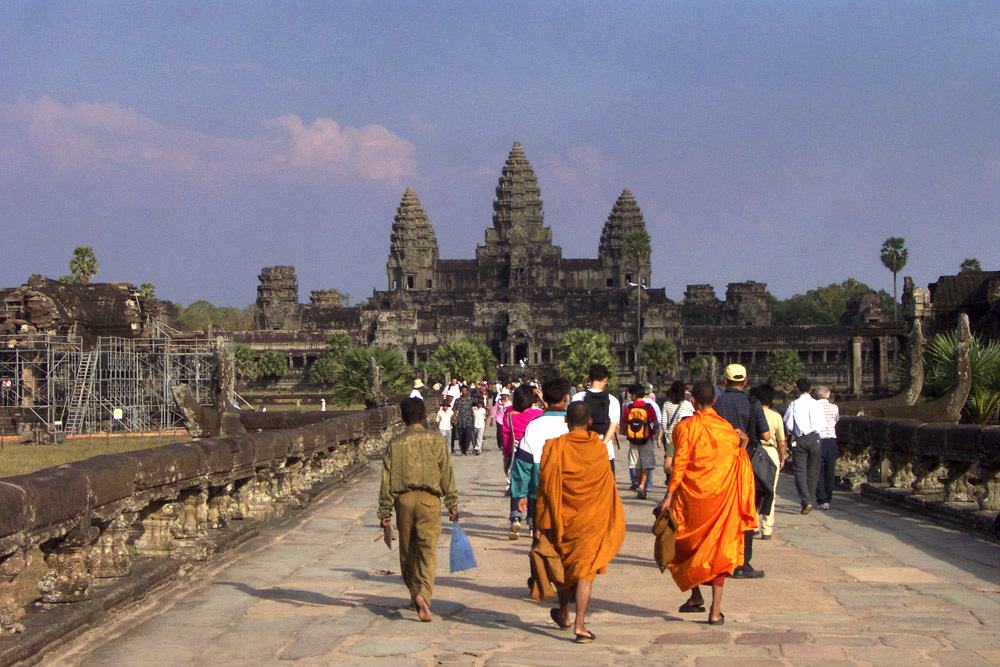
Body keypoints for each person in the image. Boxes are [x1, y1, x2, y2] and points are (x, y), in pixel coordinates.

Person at [654, 381, 757, 626]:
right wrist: (743, 445)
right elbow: (737, 457)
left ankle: (696, 595)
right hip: (721, 500)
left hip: (692, 500)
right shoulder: (728, 430)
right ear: (715, 401)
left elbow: (680, 464)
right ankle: (713, 610)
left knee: (684, 546)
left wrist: (669, 495)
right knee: (718, 551)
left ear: (693, 402)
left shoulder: (685, 427)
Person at [536, 401, 626, 643]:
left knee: (565, 566)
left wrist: (540, 522)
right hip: (590, 519)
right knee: (585, 571)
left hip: (561, 518)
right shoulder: (598, 448)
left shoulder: (554, 447)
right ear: (589, 423)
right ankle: (578, 624)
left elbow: (545, 487)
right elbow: (607, 485)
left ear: (566, 420)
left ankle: (565, 613)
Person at [377, 398, 459, 622]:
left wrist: (385, 512)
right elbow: (446, 474)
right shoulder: (437, 440)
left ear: (402, 418)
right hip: (429, 501)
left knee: (407, 551)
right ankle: (424, 593)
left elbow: (387, 481)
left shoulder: (395, 443)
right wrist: (452, 502)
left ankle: (415, 593)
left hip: (403, 501)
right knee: (427, 550)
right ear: (425, 417)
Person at [713, 364, 770, 579]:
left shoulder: (717, 403)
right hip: (746, 463)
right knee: (746, 511)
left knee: (722, 512)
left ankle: (721, 558)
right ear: (745, 382)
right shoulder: (752, 403)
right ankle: (742, 562)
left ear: (725, 382)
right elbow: (765, 435)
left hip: (720, 463)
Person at [511, 378, 571, 540]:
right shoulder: (573, 425)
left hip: (541, 492)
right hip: (570, 494)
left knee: (541, 543)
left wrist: (521, 494)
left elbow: (523, 463)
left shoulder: (534, 426)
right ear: (565, 397)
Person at [502, 385, 544, 537]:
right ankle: (532, 523)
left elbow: (506, 440)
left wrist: (505, 459)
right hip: (535, 453)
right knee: (534, 488)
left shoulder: (510, 416)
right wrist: (542, 399)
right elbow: (552, 413)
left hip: (516, 453)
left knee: (517, 487)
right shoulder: (539, 414)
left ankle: (515, 517)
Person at [783, 377, 827, 515]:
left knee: (800, 471)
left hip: (800, 438)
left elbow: (788, 423)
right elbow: (822, 423)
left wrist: (792, 433)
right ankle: (811, 498)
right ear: (810, 389)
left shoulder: (793, 405)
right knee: (814, 470)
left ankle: (805, 499)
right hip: (815, 438)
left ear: (797, 389)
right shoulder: (816, 405)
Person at [748, 384, 786, 540]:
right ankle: (767, 528)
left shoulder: (752, 412)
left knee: (752, 490)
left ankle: (754, 524)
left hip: (754, 452)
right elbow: (781, 441)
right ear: (771, 400)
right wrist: (782, 457)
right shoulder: (775, 416)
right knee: (771, 490)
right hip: (770, 451)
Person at [570, 364, 620, 474]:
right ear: (605, 379)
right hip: (605, 450)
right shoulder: (613, 400)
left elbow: (573, 423)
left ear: (589, 379)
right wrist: (603, 444)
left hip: (582, 447)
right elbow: (613, 426)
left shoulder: (578, 397)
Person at [622, 383, 659, 499]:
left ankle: (639, 485)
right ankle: (642, 486)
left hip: (633, 439)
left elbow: (624, 423)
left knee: (636, 465)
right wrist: (652, 431)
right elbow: (656, 423)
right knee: (647, 464)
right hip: (647, 438)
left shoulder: (629, 408)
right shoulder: (648, 407)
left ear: (633, 395)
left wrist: (629, 434)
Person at [812, 385, 839, 510]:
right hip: (831, 440)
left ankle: (822, 499)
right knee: (830, 470)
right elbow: (836, 420)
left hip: (818, 440)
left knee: (818, 471)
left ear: (816, 396)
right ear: (828, 396)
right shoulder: (834, 408)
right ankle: (828, 497)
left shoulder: (812, 407)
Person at [661, 380, 694, 481]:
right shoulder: (687, 404)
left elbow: (664, 421)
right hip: (682, 435)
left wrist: (666, 432)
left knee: (669, 458)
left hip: (670, 437)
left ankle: (670, 479)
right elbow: (691, 419)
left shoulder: (667, 404)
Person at [452, 385, 476, 456]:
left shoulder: (471, 400)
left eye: (465, 391)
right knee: (461, 436)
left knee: (468, 436)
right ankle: (462, 450)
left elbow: (477, 405)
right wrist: (454, 418)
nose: (464, 392)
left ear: (467, 391)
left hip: (468, 420)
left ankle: (466, 449)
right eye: (463, 391)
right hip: (460, 421)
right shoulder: (457, 400)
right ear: (461, 391)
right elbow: (455, 410)